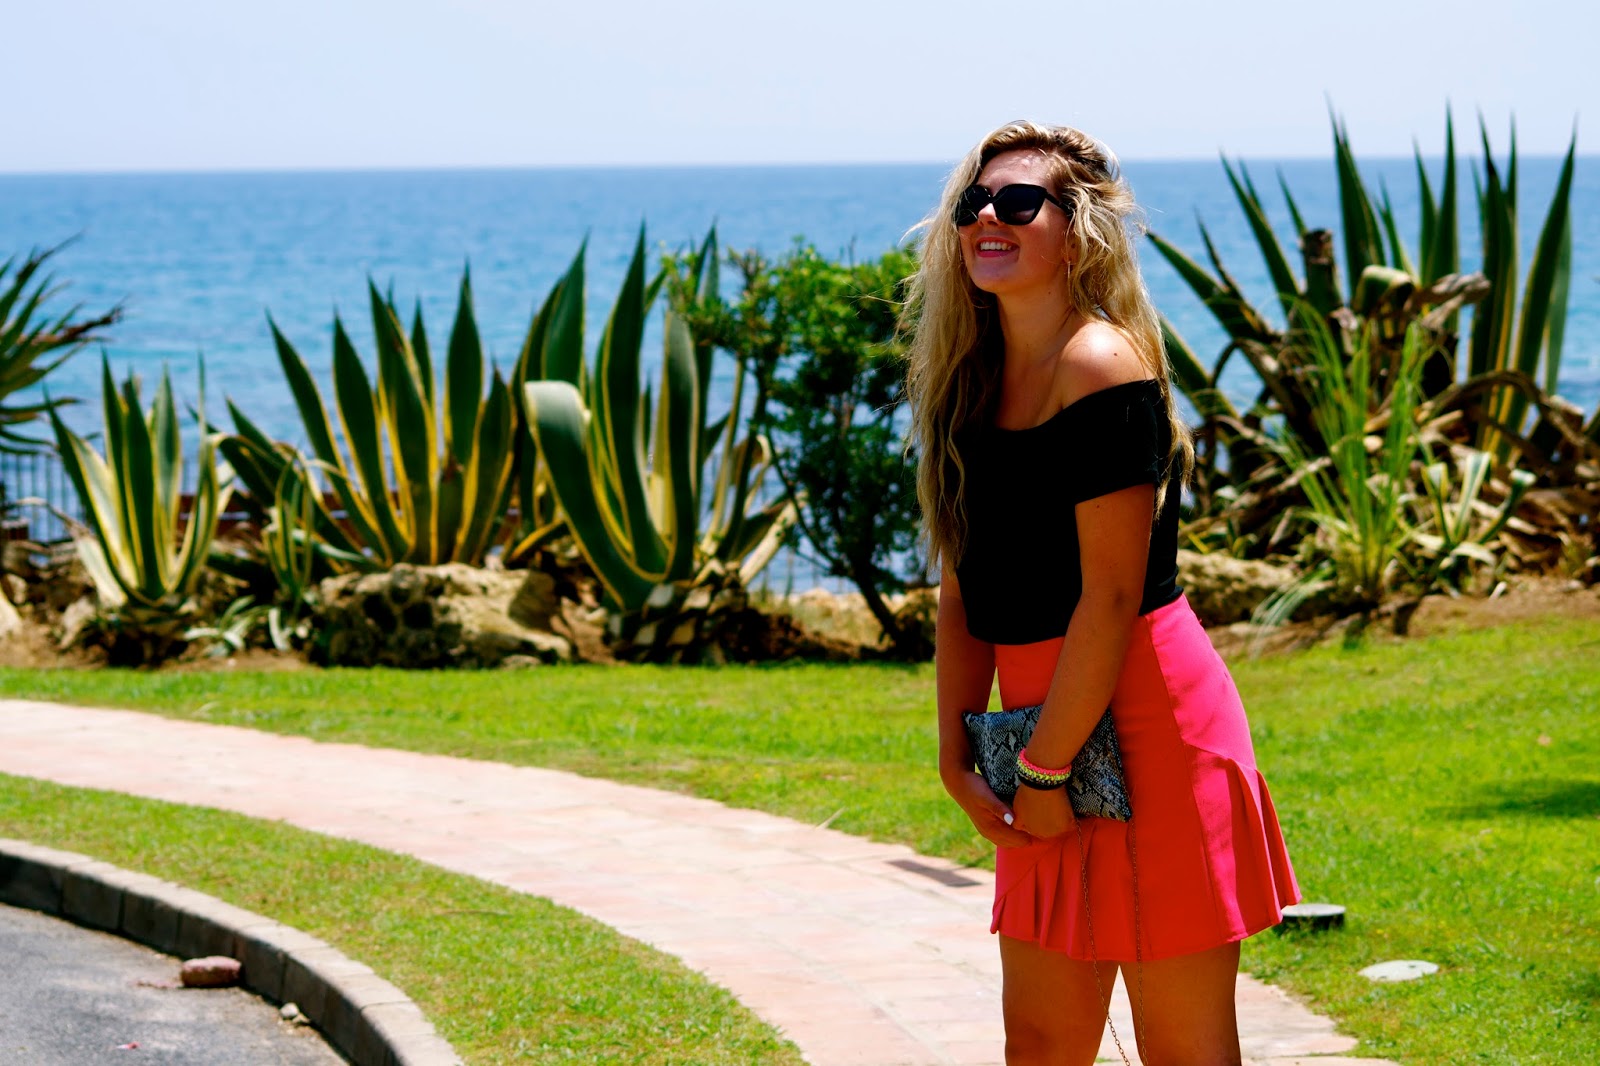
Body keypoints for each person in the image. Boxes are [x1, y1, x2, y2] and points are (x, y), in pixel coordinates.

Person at [904, 120, 1300, 1066]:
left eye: (1018, 202)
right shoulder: (967, 380)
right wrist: (957, 752)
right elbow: (963, 585)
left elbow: (1112, 598)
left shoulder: (1100, 363)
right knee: (1041, 1044)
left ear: (1078, 232)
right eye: (973, 203)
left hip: (1150, 728)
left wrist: (1044, 771)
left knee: (1183, 1050)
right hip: (1041, 729)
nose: (988, 218)